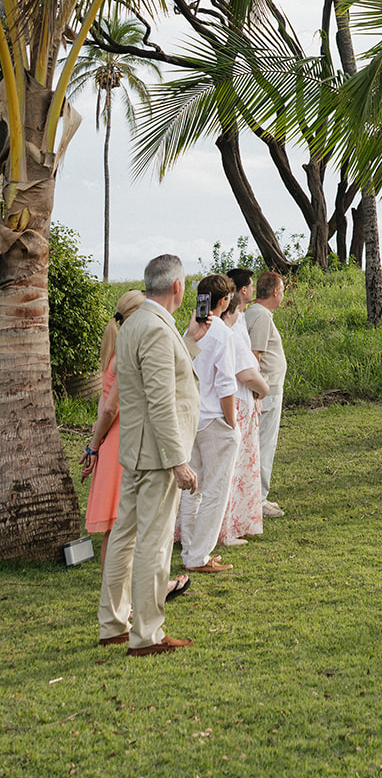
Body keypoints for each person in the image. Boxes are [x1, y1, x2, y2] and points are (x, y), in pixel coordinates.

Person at [96, 254, 201, 655]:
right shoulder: (154, 327)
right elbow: (160, 400)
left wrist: (190, 339)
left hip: (136, 449)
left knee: (124, 535)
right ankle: (147, 633)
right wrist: (179, 461)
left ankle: (112, 622)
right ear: (178, 287)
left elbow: (159, 379)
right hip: (157, 454)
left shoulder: (136, 324)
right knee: (153, 543)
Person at [179, 275, 240, 575]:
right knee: (215, 489)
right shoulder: (222, 334)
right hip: (215, 417)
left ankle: (191, 549)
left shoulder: (189, 331)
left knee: (194, 487)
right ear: (224, 301)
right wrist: (232, 422)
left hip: (192, 416)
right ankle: (198, 554)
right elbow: (226, 383)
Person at [82, 291, 145, 564]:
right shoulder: (125, 357)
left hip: (113, 444)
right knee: (121, 526)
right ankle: (117, 590)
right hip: (123, 443)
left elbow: (102, 408)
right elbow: (110, 409)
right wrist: (95, 445)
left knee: (118, 526)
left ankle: (118, 589)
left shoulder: (115, 353)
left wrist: (95, 446)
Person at [216, 291, 268, 546]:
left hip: (220, 406)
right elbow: (245, 373)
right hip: (236, 406)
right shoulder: (228, 334)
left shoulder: (198, 332)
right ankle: (228, 527)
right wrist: (264, 389)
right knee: (234, 470)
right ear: (229, 309)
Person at [245, 271, 287, 517]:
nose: (282, 294)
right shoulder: (260, 316)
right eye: (281, 290)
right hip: (267, 392)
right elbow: (255, 356)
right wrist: (260, 389)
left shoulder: (258, 314)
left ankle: (260, 495)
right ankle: (257, 499)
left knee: (263, 444)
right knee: (264, 444)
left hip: (269, 389)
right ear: (274, 292)